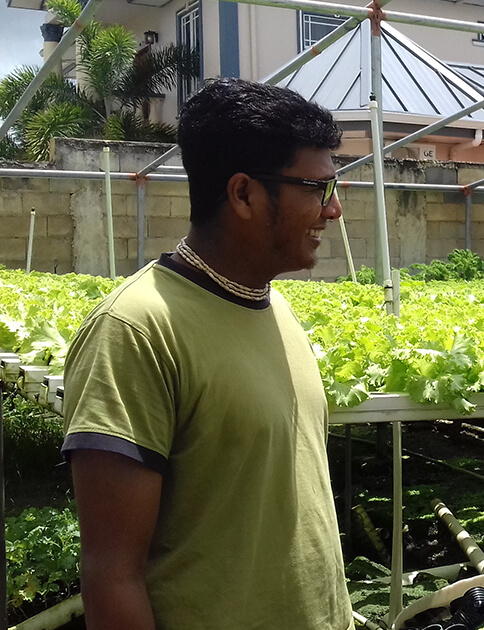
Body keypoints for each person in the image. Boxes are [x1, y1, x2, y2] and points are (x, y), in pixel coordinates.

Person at [62, 78, 352, 630]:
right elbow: (111, 575)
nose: (334, 209)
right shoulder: (137, 331)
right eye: (317, 188)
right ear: (243, 194)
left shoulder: (276, 308)